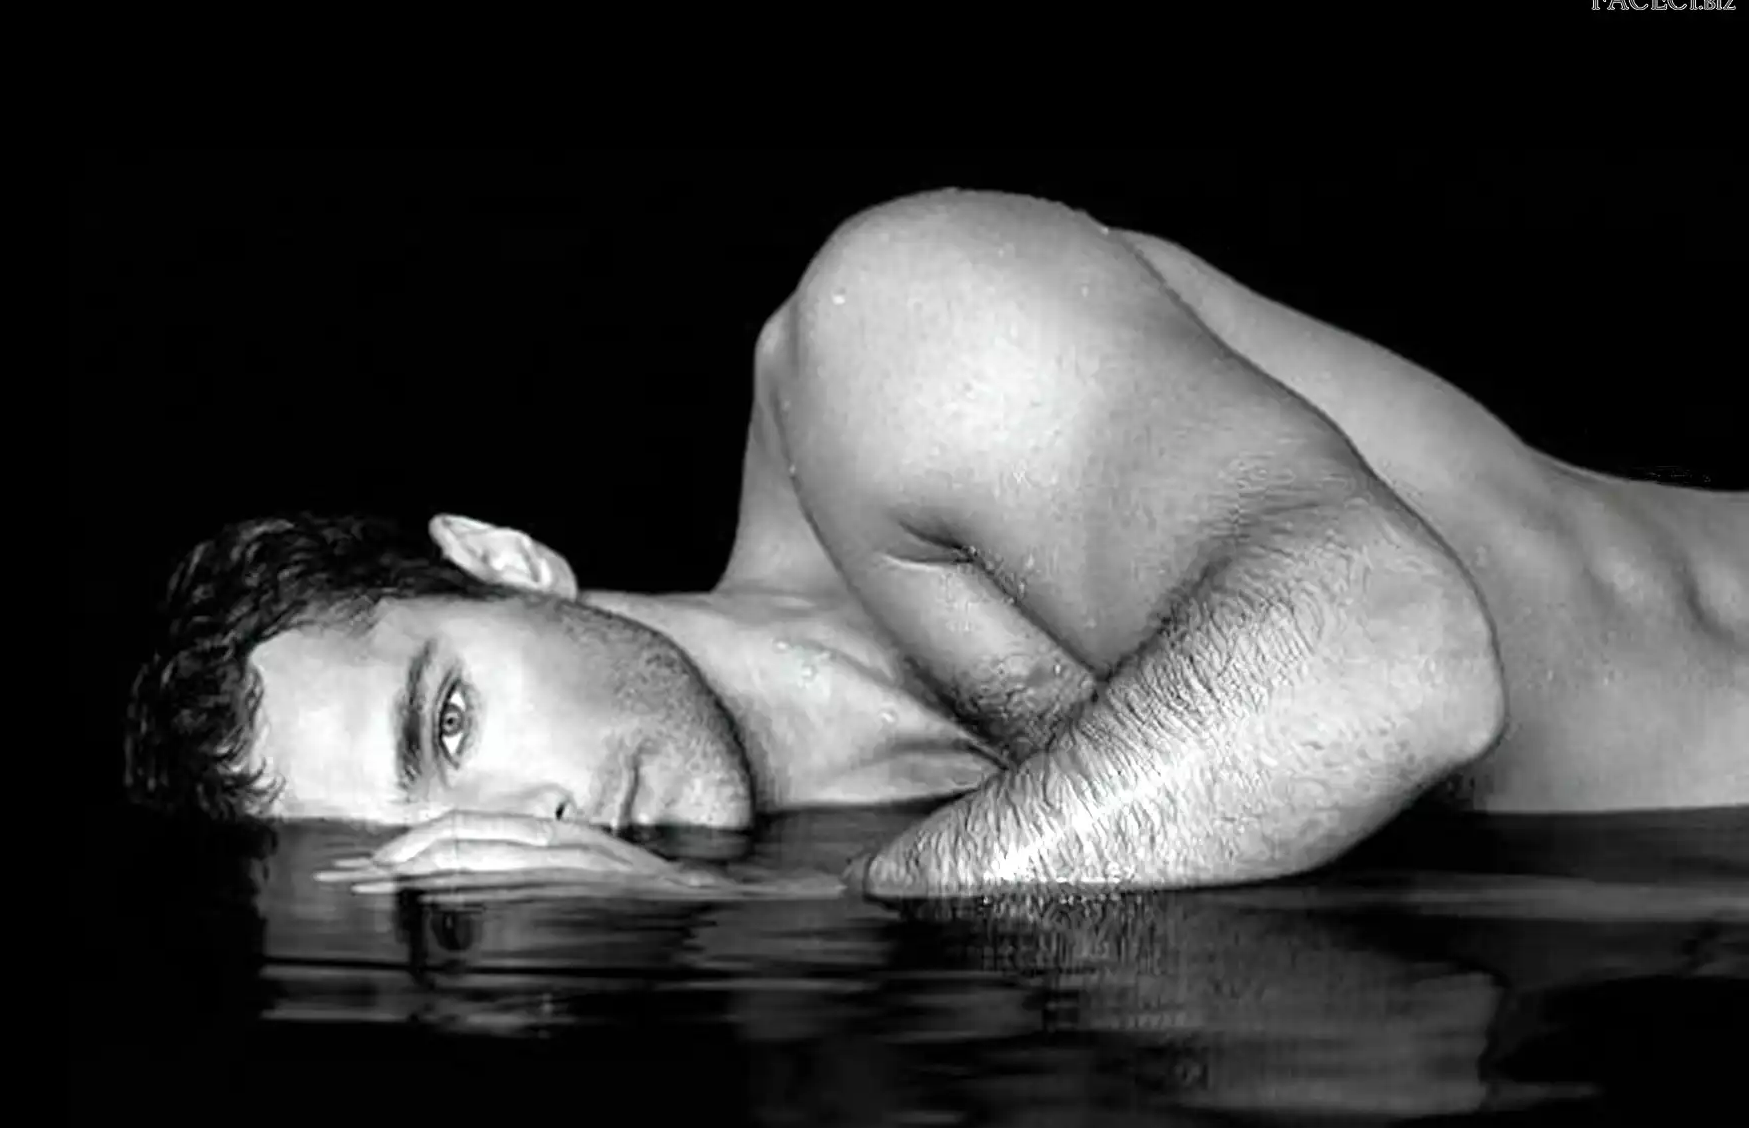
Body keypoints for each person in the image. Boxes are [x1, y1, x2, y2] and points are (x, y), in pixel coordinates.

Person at [123, 190, 1748, 895]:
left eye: (448, 722)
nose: (529, 823)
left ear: (502, 559)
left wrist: (794, 919)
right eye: (440, 870)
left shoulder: (882, 346)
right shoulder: (834, 979)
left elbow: (1389, 656)